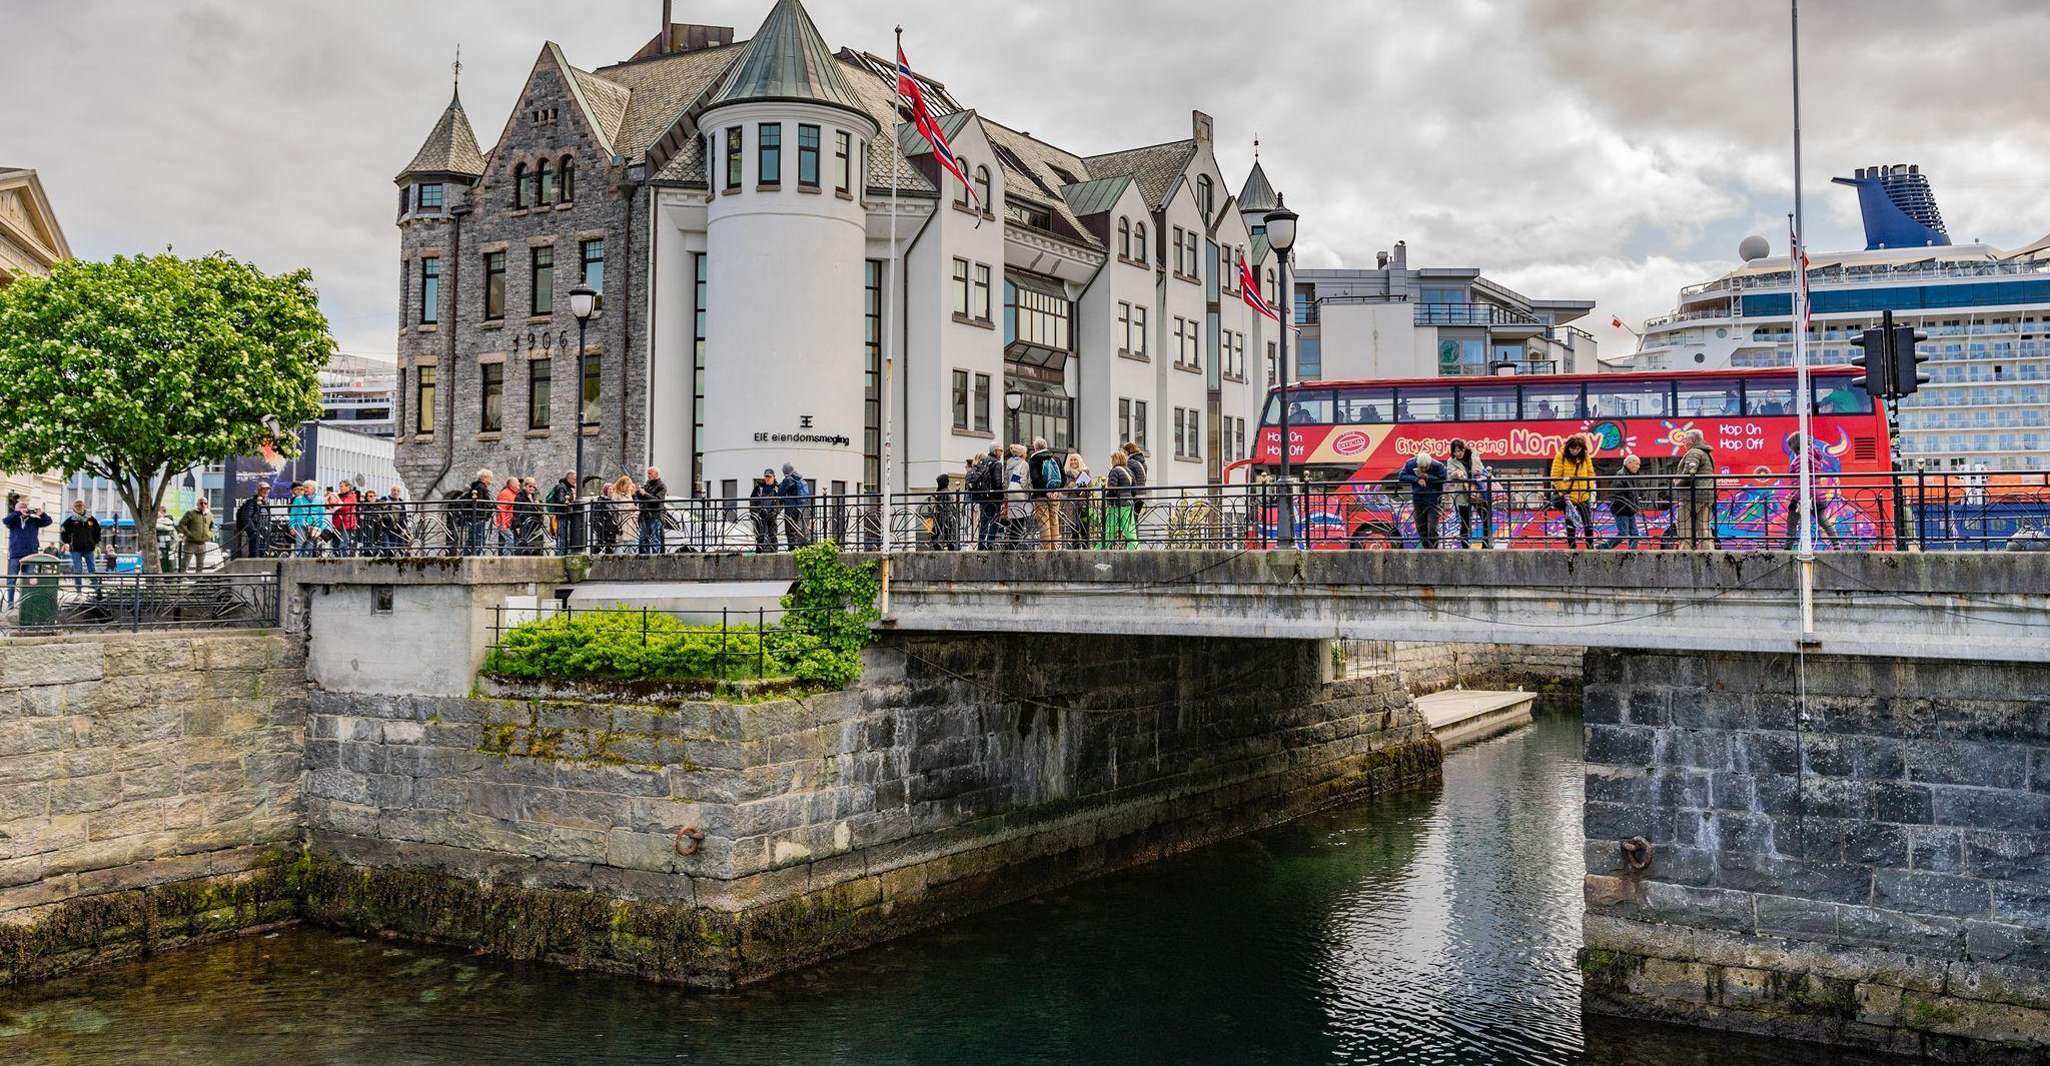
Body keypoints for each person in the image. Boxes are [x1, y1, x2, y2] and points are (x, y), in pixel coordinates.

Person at [1548, 434, 1597, 550]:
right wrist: (1563, 492)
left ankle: (1590, 547)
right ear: (1568, 447)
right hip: (1569, 497)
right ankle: (1572, 547)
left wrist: (1588, 487)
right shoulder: (1561, 456)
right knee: (1570, 525)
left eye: (1578, 449)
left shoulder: (1585, 456)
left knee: (1588, 523)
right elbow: (1555, 476)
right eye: (1573, 448)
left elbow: (1590, 472)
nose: (1575, 451)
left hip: (1583, 495)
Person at [1673, 429, 1718, 549]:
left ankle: (1685, 549)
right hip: (1706, 495)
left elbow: (1689, 473)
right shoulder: (1706, 453)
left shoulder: (1693, 453)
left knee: (1683, 523)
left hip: (1692, 496)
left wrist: (1676, 483)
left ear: (1692, 440)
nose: (1683, 442)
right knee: (1703, 526)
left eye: (1685, 439)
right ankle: (1707, 550)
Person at [1444, 440, 1492, 549]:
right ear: (1453, 452)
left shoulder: (1473, 455)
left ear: (1464, 449)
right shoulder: (1451, 461)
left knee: (1485, 517)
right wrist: (1457, 473)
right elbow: (1450, 474)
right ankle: (1465, 546)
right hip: (1462, 494)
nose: (1459, 453)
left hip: (1477, 491)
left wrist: (1477, 471)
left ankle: (1486, 543)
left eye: (1460, 450)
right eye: (1456, 451)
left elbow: (1480, 468)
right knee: (1465, 522)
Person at [1397, 449, 1450, 548]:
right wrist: (1416, 479)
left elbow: (1444, 478)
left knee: (1432, 528)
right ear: (1417, 464)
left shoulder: (1438, 465)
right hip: (1418, 499)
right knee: (1421, 527)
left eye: (1426, 467)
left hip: (1433, 500)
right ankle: (1427, 550)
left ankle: (1433, 551)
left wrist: (1427, 476)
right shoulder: (1410, 463)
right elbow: (1401, 476)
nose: (1424, 469)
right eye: (1421, 468)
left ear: (1430, 464)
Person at [5, 497, 52, 606]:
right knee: (11, 580)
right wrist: (17, 513)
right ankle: (10, 603)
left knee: (28, 581)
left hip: (30, 555)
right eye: (21, 508)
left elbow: (48, 521)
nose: (24, 509)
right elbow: (5, 521)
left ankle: (26, 603)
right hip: (15, 554)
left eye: (25, 507)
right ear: (16, 510)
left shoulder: (34, 520)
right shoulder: (13, 521)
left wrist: (41, 514)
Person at [1026, 437, 1065, 549]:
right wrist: (1056, 490)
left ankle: (1046, 549)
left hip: (1041, 496)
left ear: (1035, 448)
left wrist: (1045, 491)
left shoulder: (1034, 460)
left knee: (1044, 522)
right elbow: (1063, 477)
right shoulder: (1056, 458)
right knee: (1054, 520)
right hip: (1055, 495)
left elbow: (1035, 479)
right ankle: (1055, 548)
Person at [1602, 454, 1646, 549]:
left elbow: (1635, 492)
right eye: (1637, 464)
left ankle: (1632, 553)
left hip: (1629, 509)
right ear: (1629, 463)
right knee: (1623, 534)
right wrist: (1632, 504)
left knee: (1634, 534)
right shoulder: (1621, 475)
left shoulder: (1631, 475)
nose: (1638, 466)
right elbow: (1617, 494)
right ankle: (1602, 547)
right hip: (1622, 509)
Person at [59, 499, 102, 589]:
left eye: (81, 506)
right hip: (75, 549)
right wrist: (67, 542)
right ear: (73, 508)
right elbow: (63, 532)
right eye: (77, 506)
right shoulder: (70, 520)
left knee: (92, 568)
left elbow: (98, 531)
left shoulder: (91, 519)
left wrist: (95, 542)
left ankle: (96, 588)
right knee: (78, 570)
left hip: (89, 548)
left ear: (84, 507)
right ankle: (78, 590)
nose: (79, 508)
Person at [967, 446, 1003, 550]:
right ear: (995, 451)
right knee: (994, 520)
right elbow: (997, 483)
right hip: (994, 497)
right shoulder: (997, 463)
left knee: (984, 521)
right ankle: (990, 543)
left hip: (983, 496)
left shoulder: (983, 461)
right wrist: (1001, 494)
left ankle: (981, 543)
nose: (1001, 453)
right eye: (1000, 450)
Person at [1102, 450, 1138, 549]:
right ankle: (1134, 551)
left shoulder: (1115, 471)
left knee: (1110, 530)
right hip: (1128, 503)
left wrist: (1108, 498)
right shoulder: (1129, 471)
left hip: (1116, 505)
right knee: (1130, 530)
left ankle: (1101, 549)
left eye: (1112, 459)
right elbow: (1134, 490)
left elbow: (1112, 488)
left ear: (1115, 460)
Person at [1002, 444, 1032, 548]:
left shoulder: (1008, 463)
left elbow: (1005, 481)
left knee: (1014, 521)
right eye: (1025, 453)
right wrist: (1028, 492)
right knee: (1020, 521)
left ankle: (1012, 544)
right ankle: (1015, 545)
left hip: (1011, 495)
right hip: (1020, 496)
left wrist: (1006, 495)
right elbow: (1024, 481)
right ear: (1022, 454)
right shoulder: (1024, 464)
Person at [174, 498, 215, 571]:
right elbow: (181, 524)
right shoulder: (191, 513)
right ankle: (181, 577)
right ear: (197, 504)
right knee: (186, 562)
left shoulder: (209, 515)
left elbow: (213, 526)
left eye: (205, 503)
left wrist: (209, 534)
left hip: (202, 543)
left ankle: (199, 578)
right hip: (190, 543)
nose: (203, 505)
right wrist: (189, 534)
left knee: (200, 564)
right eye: (201, 503)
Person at [233, 483, 273, 559]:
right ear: (259, 490)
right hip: (255, 534)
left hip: (264, 533)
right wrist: (253, 531)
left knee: (263, 554)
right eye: (264, 489)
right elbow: (246, 517)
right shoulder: (251, 502)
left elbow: (268, 518)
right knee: (254, 553)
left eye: (268, 489)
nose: (266, 491)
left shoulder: (265, 503)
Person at [777, 463, 811, 548]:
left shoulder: (788, 479)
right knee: (795, 527)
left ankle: (792, 548)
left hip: (790, 508)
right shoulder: (797, 478)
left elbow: (780, 494)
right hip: (798, 507)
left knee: (789, 529)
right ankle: (795, 546)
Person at [1063, 454, 1093, 549]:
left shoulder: (1085, 472)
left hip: (1083, 504)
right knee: (1074, 530)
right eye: (1071, 460)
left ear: (1079, 461)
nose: (1073, 462)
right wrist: (1070, 486)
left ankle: (1086, 549)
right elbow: (1063, 491)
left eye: (1075, 460)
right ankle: (1075, 551)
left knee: (1085, 529)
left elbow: (1091, 489)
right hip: (1071, 505)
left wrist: (1082, 487)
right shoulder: (1066, 474)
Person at [545, 472, 579, 554]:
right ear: (569, 479)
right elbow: (561, 500)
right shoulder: (562, 487)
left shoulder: (567, 487)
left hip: (564, 515)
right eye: (574, 479)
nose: (575, 481)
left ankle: (562, 551)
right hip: (562, 515)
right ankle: (561, 553)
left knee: (564, 536)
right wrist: (569, 501)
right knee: (563, 536)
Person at [748, 469, 780, 553]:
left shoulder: (777, 489)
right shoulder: (758, 488)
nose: (768, 478)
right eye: (766, 477)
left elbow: (781, 503)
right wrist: (755, 512)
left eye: (769, 477)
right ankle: (759, 553)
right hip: (760, 515)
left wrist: (775, 512)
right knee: (759, 535)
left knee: (772, 534)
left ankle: (774, 552)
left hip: (771, 515)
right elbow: (752, 501)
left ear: (774, 477)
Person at [288, 482, 324, 557]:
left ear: (313, 489)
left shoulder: (320, 499)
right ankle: (298, 565)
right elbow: (293, 514)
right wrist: (291, 526)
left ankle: (307, 566)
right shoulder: (298, 499)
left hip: (314, 525)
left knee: (310, 547)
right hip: (300, 524)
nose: (305, 489)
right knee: (299, 545)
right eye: (304, 487)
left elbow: (322, 515)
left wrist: (320, 528)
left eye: (307, 487)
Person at [464, 470, 496, 554]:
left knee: (474, 538)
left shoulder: (478, 487)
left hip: (476, 517)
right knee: (477, 538)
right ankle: (473, 554)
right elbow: (480, 503)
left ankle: (469, 554)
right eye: (490, 478)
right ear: (484, 478)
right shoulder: (480, 488)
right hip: (478, 517)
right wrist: (491, 506)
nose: (491, 480)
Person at [514, 478, 544, 555]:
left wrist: (538, 506)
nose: (532, 488)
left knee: (535, 545)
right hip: (524, 524)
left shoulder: (535, 497)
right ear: (525, 486)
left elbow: (541, 510)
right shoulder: (519, 497)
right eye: (530, 486)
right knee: (523, 544)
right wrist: (517, 525)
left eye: (534, 487)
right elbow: (516, 512)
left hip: (535, 525)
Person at [331, 480, 360, 557]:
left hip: (347, 523)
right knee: (335, 543)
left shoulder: (352, 496)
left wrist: (335, 501)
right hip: (337, 522)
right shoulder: (339, 495)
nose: (340, 488)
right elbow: (330, 505)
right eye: (340, 486)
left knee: (344, 543)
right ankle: (335, 560)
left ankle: (343, 560)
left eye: (342, 486)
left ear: (348, 487)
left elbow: (345, 507)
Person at [383, 484, 410, 555]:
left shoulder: (401, 502)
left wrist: (404, 528)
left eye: (398, 491)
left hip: (397, 528)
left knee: (395, 548)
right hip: (386, 527)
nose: (396, 492)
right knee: (387, 548)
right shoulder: (385, 499)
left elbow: (404, 516)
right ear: (391, 491)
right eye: (394, 490)